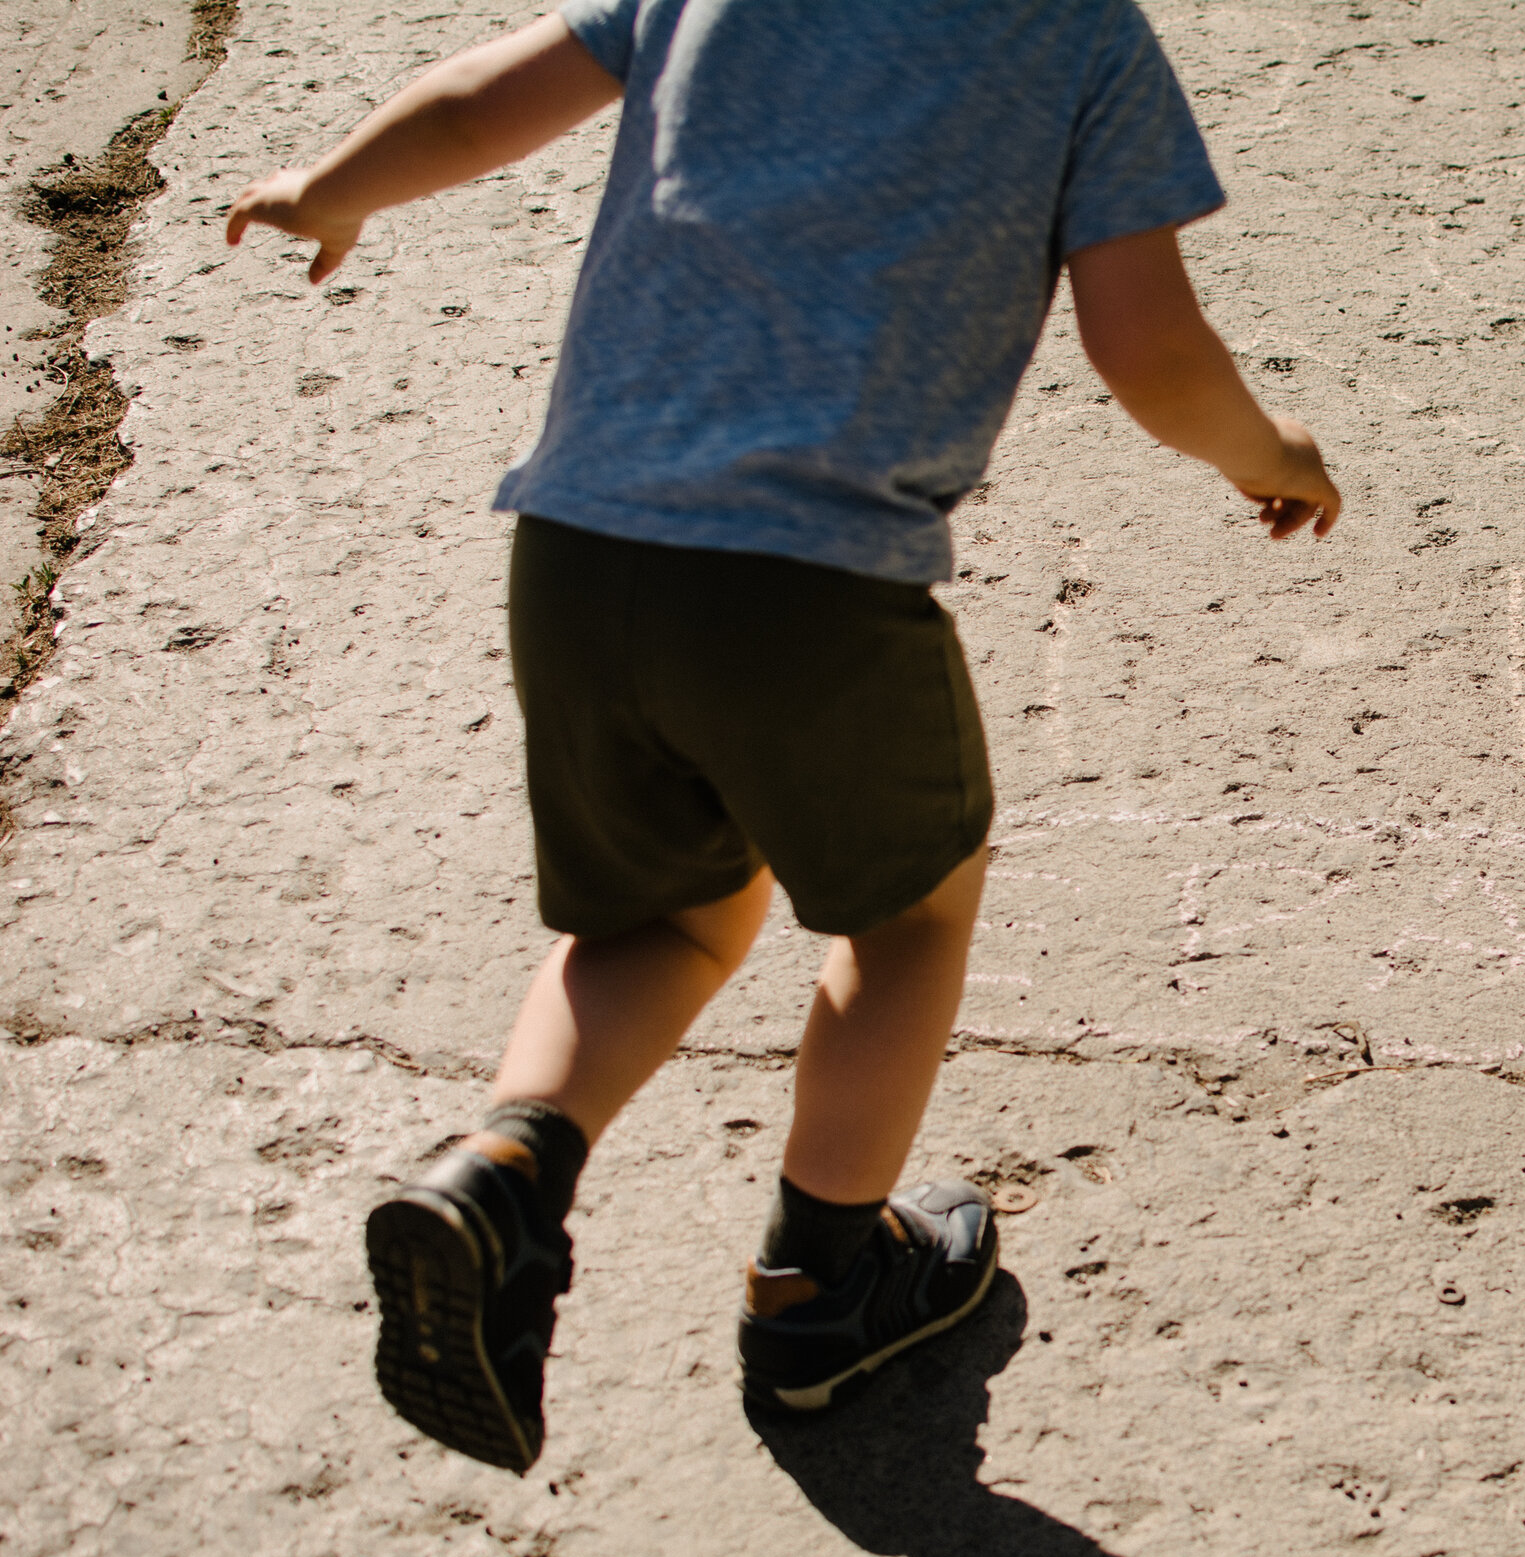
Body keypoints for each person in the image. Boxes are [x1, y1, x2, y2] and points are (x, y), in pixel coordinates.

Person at [224, 0, 1342, 1475]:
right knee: (911, 913)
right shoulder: (1082, 39)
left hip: (578, 542)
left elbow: (485, 97)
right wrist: (1271, 456)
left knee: (666, 919)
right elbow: (1145, 346)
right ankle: (824, 1288)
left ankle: (505, 1172)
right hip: (809, 581)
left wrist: (333, 184)